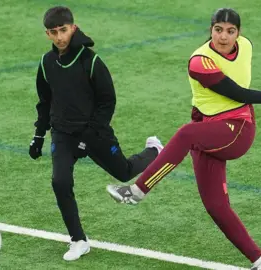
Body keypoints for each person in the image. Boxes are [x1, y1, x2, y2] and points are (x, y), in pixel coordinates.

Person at [107, 8, 261, 270]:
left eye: (230, 31)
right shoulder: (200, 62)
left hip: (237, 130)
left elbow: (240, 97)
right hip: (210, 131)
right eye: (218, 30)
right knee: (216, 206)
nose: (224, 37)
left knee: (186, 134)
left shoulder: (246, 46)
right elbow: (237, 92)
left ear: (239, 34)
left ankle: (137, 191)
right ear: (210, 30)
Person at [28, 6, 163, 261]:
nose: (59, 37)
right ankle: (78, 240)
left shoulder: (92, 62)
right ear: (47, 34)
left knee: (124, 171)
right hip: (63, 134)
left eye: (63, 30)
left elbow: (107, 102)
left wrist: (88, 136)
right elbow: (45, 101)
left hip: (94, 132)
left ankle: (154, 149)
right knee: (60, 182)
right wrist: (38, 135)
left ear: (73, 28)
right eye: (53, 32)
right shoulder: (46, 64)